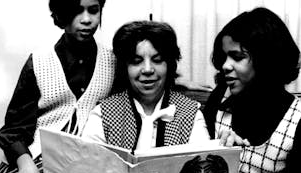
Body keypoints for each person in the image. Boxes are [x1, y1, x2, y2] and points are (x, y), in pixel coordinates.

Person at [0, 0, 115, 173]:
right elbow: (13, 130)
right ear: (60, 15)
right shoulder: (39, 62)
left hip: (81, 162)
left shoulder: (112, 62)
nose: (86, 19)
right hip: (32, 157)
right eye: (76, 11)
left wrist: (175, 78)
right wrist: (25, 165)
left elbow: (141, 80)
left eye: (93, 10)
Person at [203, 7, 301, 173]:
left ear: (266, 61)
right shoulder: (219, 99)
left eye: (237, 57)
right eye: (224, 56)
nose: (225, 65)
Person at [82, 20, 211, 151]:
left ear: (169, 65)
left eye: (157, 60)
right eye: (136, 61)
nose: (148, 69)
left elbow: (202, 163)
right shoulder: (102, 115)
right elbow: (87, 165)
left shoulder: (190, 114)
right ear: (124, 68)